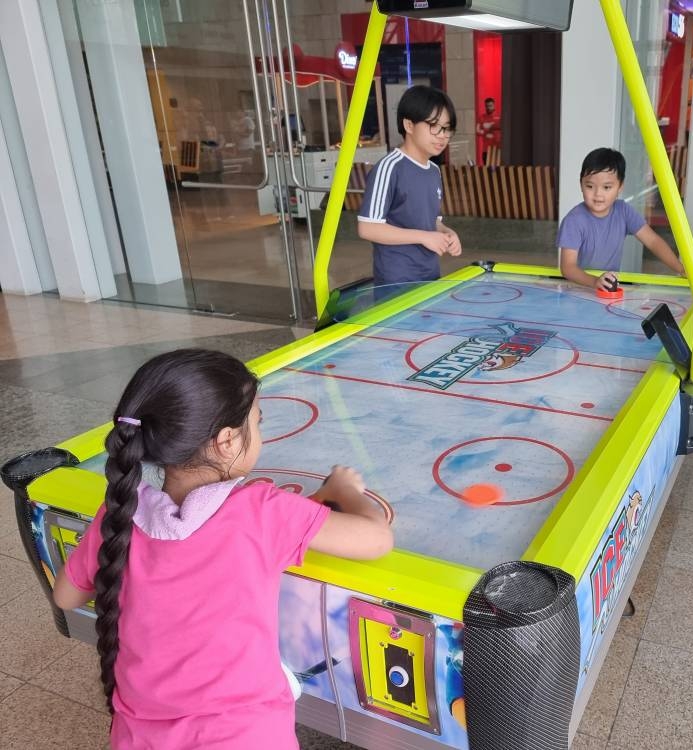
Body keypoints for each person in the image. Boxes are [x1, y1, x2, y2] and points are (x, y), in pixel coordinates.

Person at [52, 349, 393, 749]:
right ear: (227, 441)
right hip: (245, 736)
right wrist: (345, 490)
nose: (259, 432)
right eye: (257, 423)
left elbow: (66, 595)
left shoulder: (119, 513)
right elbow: (377, 538)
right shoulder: (262, 511)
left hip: (137, 735)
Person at [558, 147, 693, 291]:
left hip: (607, 290)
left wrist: (682, 269)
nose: (598, 194)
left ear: (620, 187)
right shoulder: (574, 220)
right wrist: (595, 282)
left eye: (607, 187)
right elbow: (568, 267)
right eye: (590, 186)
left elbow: (653, 241)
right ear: (581, 185)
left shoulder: (623, 211)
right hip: (578, 289)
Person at [357, 85, 462, 299]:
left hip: (430, 275)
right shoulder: (390, 168)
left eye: (446, 128)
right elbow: (367, 228)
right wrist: (424, 237)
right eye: (434, 126)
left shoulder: (433, 171)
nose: (442, 136)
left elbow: (432, 221)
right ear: (409, 125)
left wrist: (447, 233)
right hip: (396, 282)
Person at [476, 97, 501, 164]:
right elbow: (477, 131)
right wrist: (486, 133)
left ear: (494, 105)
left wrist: (491, 127)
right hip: (486, 149)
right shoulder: (482, 117)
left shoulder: (499, 116)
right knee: (487, 169)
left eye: (490, 106)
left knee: (498, 169)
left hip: (497, 149)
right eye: (487, 106)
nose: (488, 108)